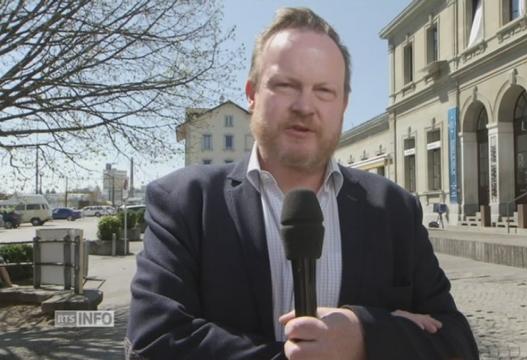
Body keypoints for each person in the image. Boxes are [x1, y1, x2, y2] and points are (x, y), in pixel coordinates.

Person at [126, 7, 478, 360]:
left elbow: (457, 345)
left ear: (343, 104)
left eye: (324, 90)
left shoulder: (393, 208)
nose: (304, 106)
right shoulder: (184, 203)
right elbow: (154, 342)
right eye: (285, 85)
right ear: (252, 93)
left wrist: (366, 334)